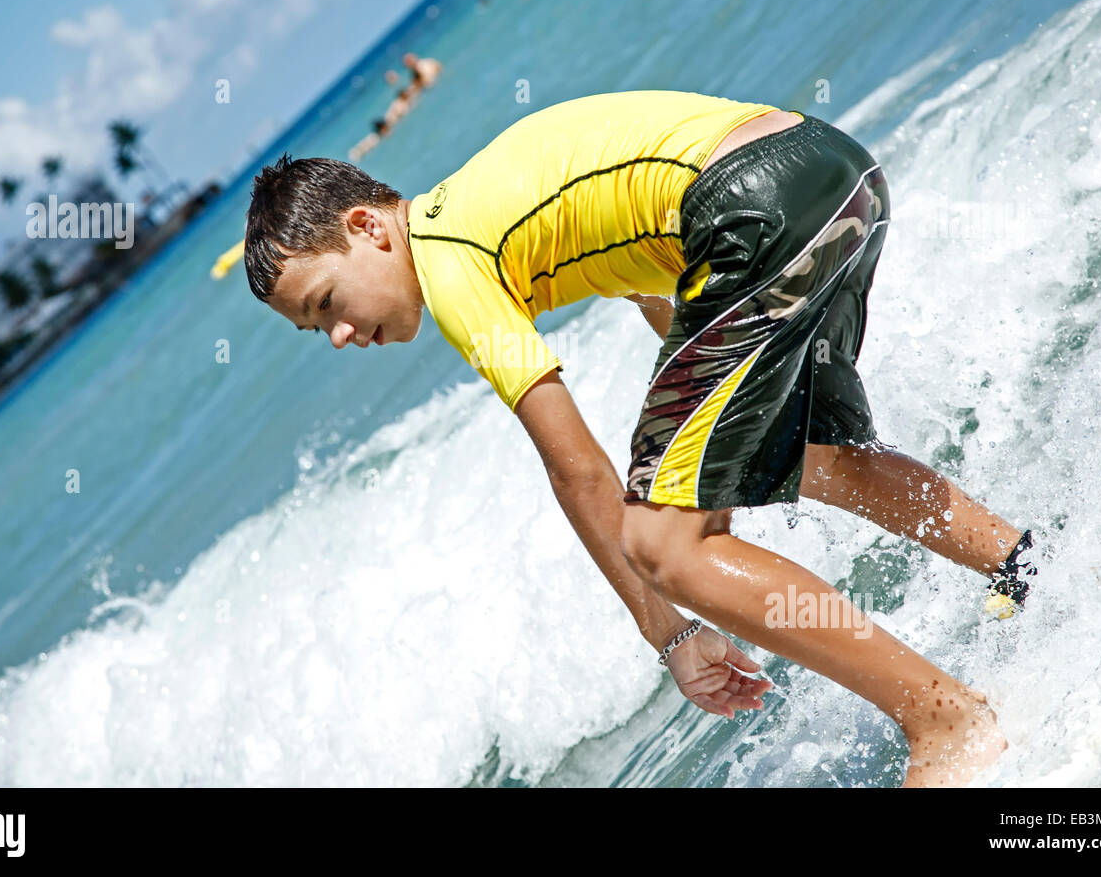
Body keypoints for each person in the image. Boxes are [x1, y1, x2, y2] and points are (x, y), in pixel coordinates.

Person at [241, 90, 1040, 787]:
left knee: (662, 543)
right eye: (318, 330)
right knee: (806, 455)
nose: (340, 334)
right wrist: (713, 448)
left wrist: (674, 630)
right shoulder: (485, 198)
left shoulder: (449, 263)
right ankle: (1022, 563)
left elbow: (577, 471)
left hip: (752, 208)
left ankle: (945, 721)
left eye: (325, 303)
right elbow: (650, 278)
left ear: (366, 226)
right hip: (831, 172)